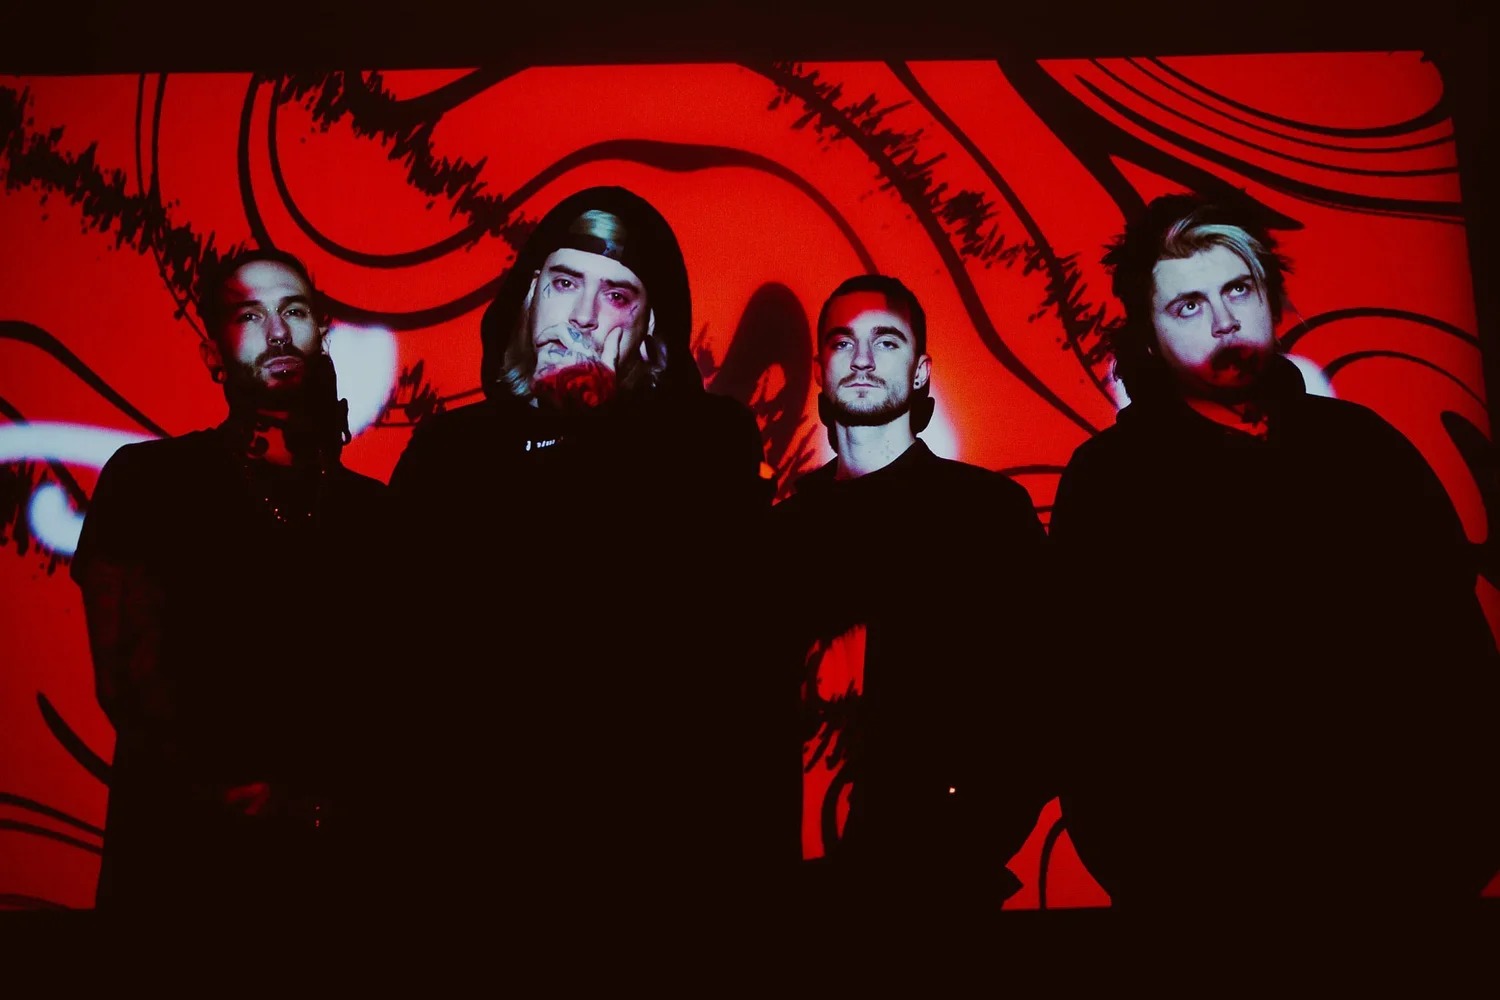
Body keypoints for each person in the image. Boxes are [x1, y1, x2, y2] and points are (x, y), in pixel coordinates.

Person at [1049, 193, 1500, 929]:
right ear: (1151, 335)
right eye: (1188, 305)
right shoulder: (1110, 483)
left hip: (1401, 888)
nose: (1224, 321)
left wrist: (1460, 854)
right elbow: (1087, 700)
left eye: (1238, 289)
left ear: (1272, 296)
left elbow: (1455, 657)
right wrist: (1150, 879)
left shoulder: (1364, 448)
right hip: (1204, 906)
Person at [387, 186, 794, 928]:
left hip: (643, 863)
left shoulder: (705, 445)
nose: (582, 315)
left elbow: (701, 644)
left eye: (617, 295)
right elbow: (408, 655)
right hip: (471, 857)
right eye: (565, 282)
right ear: (530, 295)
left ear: (650, 324)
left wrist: (596, 428)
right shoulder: (451, 452)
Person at [70, 248, 392, 915]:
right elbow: (128, 681)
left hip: (334, 882)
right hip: (181, 876)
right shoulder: (148, 484)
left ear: (321, 331)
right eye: (249, 316)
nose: (277, 332)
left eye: (293, 311)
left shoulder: (374, 514)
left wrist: (316, 808)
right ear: (211, 355)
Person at [768, 274, 1053, 934]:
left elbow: (1046, 690)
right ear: (821, 368)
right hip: (792, 901)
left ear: (921, 370)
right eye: (844, 342)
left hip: (939, 893)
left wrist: (969, 838)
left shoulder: (984, 516)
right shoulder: (777, 534)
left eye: (886, 341)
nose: (863, 359)